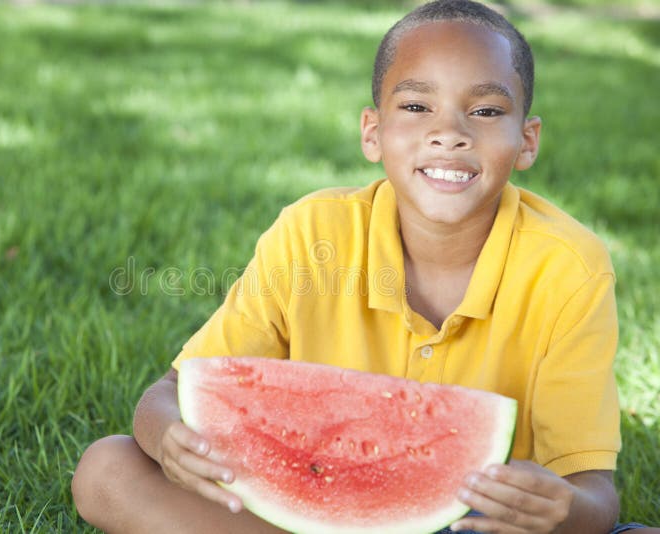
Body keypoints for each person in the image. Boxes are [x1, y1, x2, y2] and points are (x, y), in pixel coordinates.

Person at [71, 1, 654, 532]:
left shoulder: (569, 267)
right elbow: (170, 393)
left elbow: (594, 498)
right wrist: (170, 438)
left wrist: (560, 510)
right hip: (304, 508)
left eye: (483, 110)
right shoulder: (310, 234)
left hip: (478, 523)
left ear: (526, 141)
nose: (447, 134)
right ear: (373, 131)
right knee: (108, 468)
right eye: (417, 106)